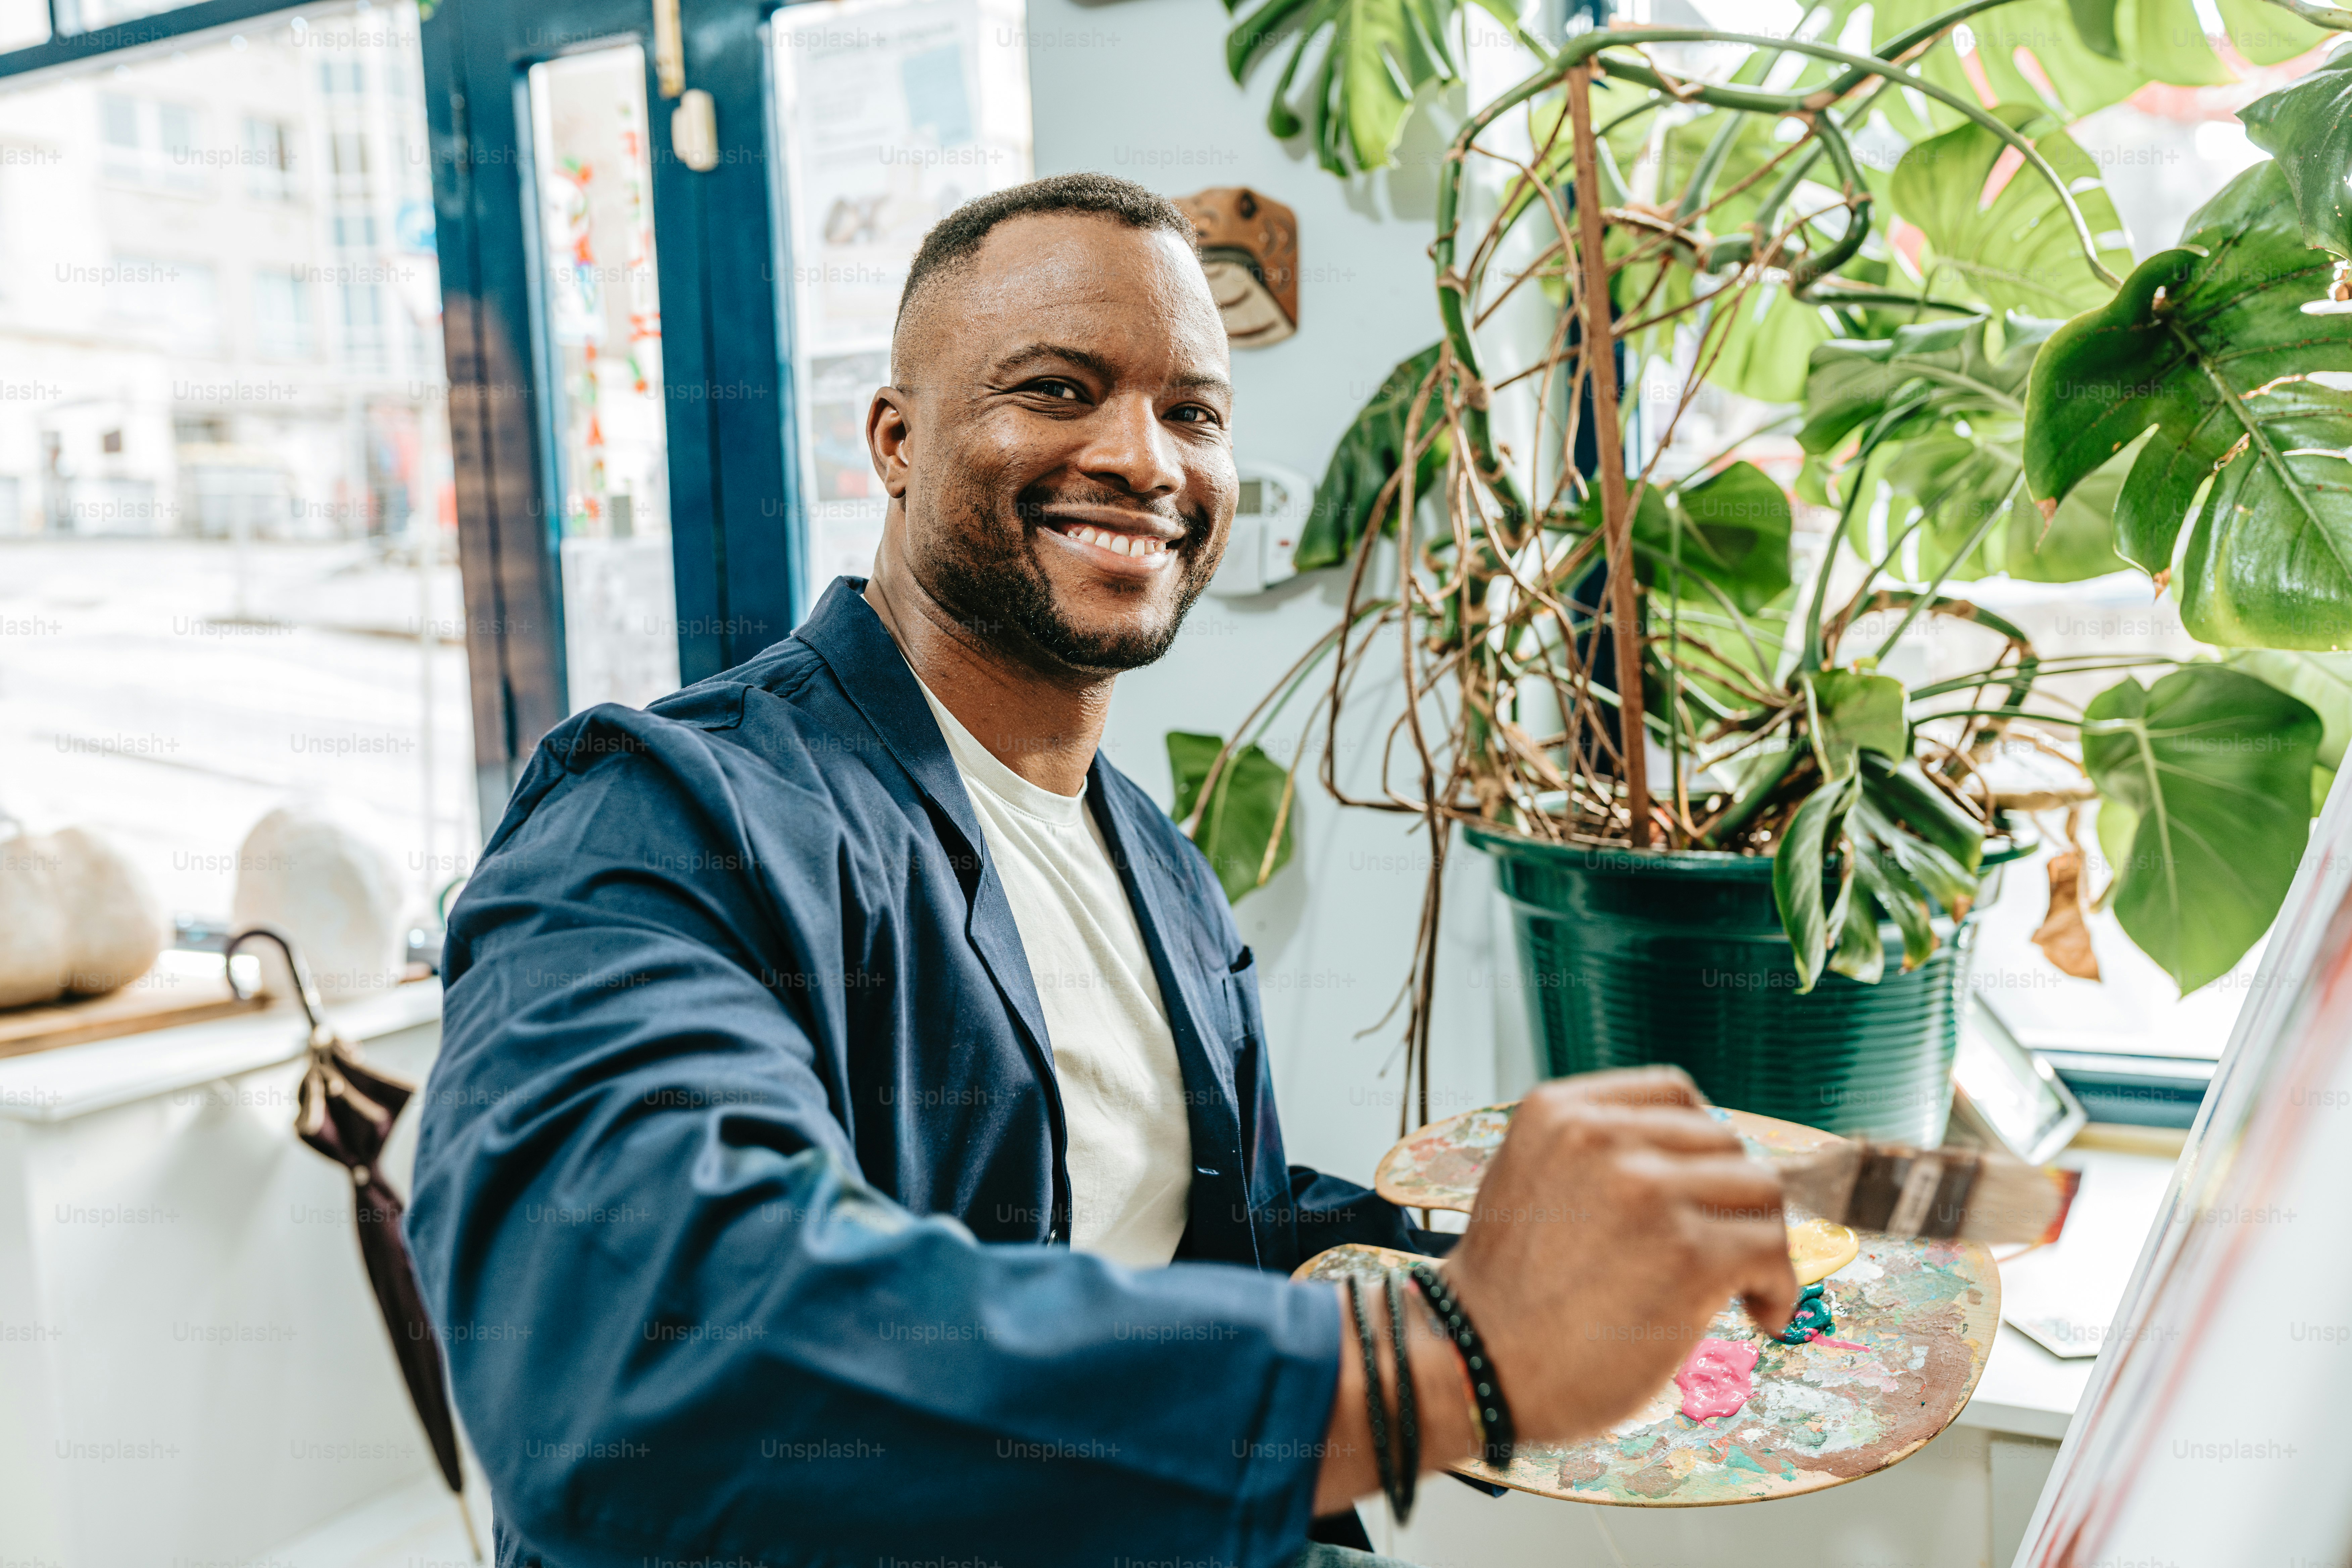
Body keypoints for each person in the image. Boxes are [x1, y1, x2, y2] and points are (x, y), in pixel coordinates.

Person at [406, 172, 1798, 1567]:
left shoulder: (1157, 863)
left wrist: (1536, 1258)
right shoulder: (661, 816)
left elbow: (1199, 1223)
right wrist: (1437, 1359)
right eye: (1059, 390)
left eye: (1194, 413)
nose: (1144, 458)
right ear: (897, 440)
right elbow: (633, 1353)